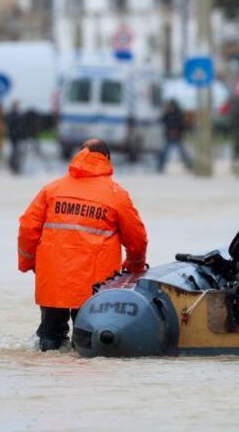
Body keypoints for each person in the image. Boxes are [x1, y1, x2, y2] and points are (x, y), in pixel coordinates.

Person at [17, 139, 148, 351]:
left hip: (53, 281)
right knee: (88, 345)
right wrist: (135, 267)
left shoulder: (52, 190)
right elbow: (137, 238)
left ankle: (46, 379)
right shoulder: (115, 195)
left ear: (79, 155)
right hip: (95, 288)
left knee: (50, 342)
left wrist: (28, 263)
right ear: (107, 160)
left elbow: (27, 230)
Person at [157, 99, 191, 173]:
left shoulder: (178, 114)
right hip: (169, 136)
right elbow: (162, 121)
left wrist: (176, 131)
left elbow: (182, 124)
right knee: (164, 152)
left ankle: (188, 165)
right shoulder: (167, 114)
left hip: (177, 136)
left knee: (182, 152)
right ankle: (159, 166)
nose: (169, 107)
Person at [6, 101, 24, 174]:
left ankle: (14, 166)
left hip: (14, 135)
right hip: (14, 136)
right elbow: (15, 125)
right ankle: (14, 166)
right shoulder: (14, 115)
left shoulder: (12, 114)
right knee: (15, 151)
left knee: (15, 151)